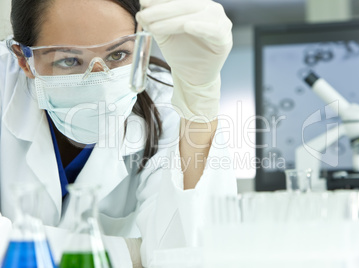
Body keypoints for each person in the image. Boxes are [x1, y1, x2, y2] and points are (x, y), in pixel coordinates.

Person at [0, 0, 237, 267]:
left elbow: (191, 254)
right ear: (24, 60)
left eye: (118, 55)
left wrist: (200, 102)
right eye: (69, 60)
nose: (99, 82)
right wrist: (128, 254)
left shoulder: (168, 105)